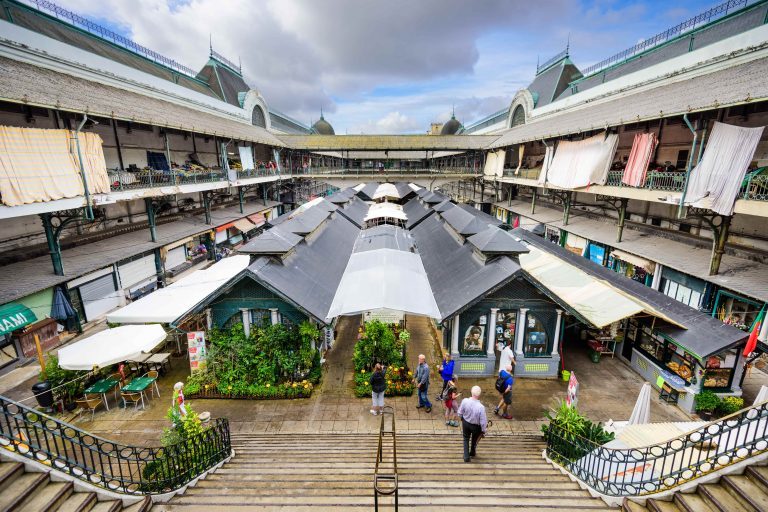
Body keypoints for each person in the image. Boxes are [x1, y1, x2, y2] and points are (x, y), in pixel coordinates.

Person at [458, 386, 488, 462]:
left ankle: (466, 456)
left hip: (466, 423)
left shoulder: (465, 401)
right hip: (476, 427)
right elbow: (483, 421)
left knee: (466, 438)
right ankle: (472, 452)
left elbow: (460, 412)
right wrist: (484, 430)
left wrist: (462, 418)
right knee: (474, 439)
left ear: (471, 392)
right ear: (479, 394)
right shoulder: (481, 407)